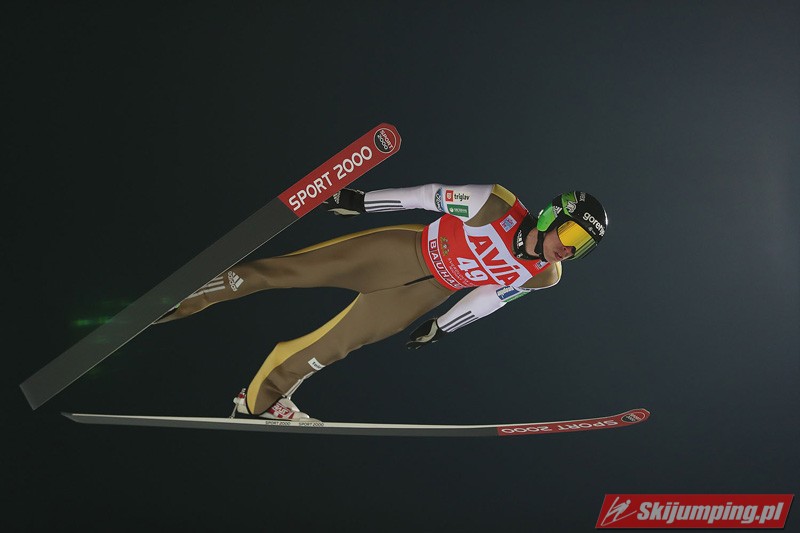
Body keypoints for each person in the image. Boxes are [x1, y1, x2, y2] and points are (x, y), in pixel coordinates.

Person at [156, 184, 608, 420]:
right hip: (400, 252)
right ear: (554, 214)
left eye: (582, 247)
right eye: (571, 233)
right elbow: (427, 196)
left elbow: (494, 296)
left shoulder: (545, 274)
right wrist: (363, 202)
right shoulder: (496, 205)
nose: (568, 249)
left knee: (333, 347)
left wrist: (443, 326)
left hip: (423, 295)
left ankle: (258, 402)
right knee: (291, 271)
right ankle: (181, 302)